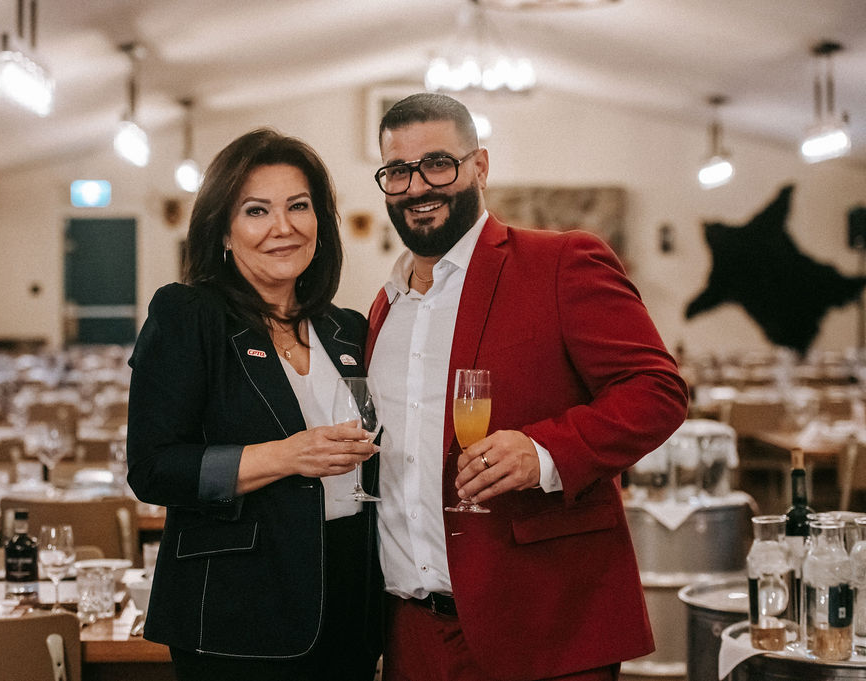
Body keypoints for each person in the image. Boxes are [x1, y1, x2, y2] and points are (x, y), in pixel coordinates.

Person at [365, 92, 689, 681]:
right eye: (398, 171)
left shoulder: (562, 262)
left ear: (480, 167)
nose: (417, 187)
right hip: (413, 634)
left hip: (546, 621)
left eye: (438, 164)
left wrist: (542, 452)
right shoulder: (386, 306)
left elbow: (656, 389)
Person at [128, 128, 382, 681]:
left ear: (321, 222)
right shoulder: (189, 315)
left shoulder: (348, 330)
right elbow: (152, 468)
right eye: (257, 211)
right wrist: (288, 456)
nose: (283, 227)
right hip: (237, 611)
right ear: (224, 230)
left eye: (299, 206)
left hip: (350, 604)